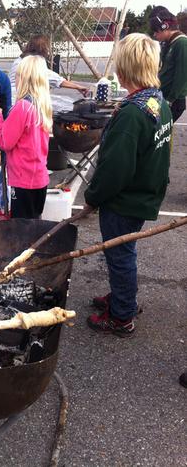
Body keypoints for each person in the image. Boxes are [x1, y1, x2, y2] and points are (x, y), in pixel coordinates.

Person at [84, 33, 172, 337]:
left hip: (124, 200)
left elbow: (115, 170)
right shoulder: (157, 102)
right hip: (143, 195)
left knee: (120, 255)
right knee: (125, 252)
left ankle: (121, 315)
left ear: (124, 70)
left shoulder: (134, 114)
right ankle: (124, 297)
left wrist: (92, 198)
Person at [0, 55, 52, 219]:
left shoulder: (22, 107)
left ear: (23, 79)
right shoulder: (42, 105)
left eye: (17, 75)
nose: (15, 79)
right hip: (39, 177)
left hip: (23, 179)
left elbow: (4, 142)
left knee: (22, 229)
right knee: (34, 224)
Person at [9, 34, 89, 102]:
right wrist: (77, 86)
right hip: (19, 101)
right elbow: (53, 78)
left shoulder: (20, 59)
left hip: (11, 98)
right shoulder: (35, 61)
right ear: (43, 48)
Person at [149, 6, 187, 122]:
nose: (154, 35)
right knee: (145, 116)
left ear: (165, 27)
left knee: (156, 129)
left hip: (171, 101)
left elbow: (182, 75)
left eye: (156, 31)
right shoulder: (169, 44)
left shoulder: (182, 43)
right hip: (160, 95)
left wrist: (170, 100)